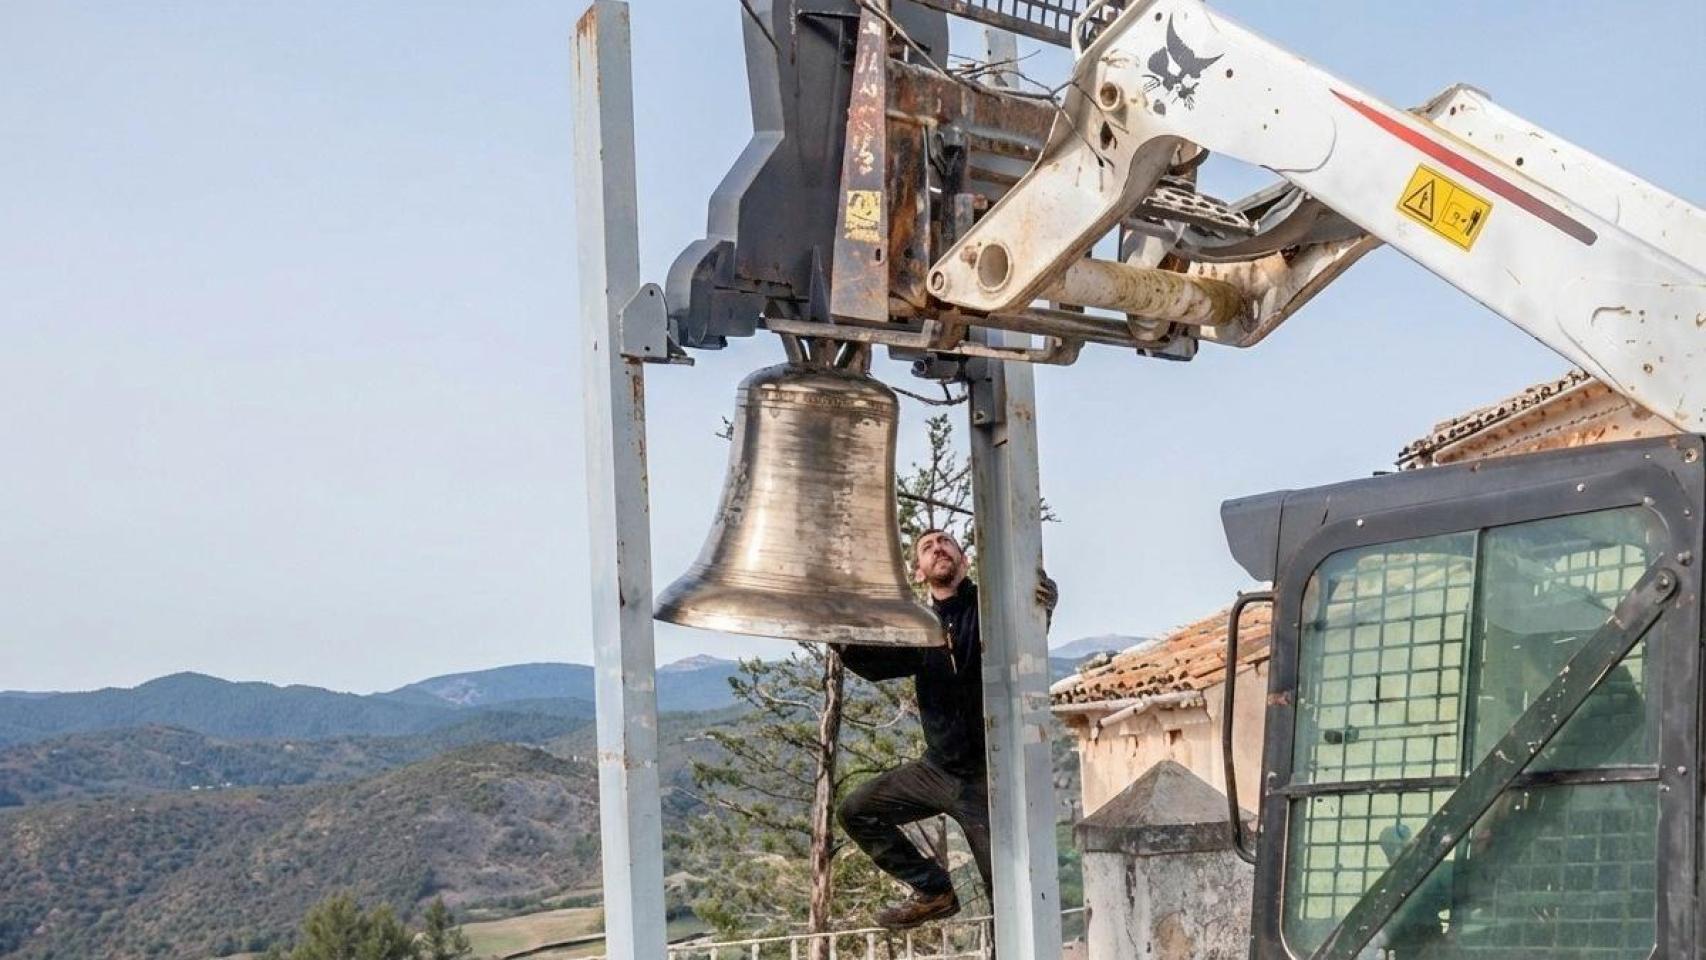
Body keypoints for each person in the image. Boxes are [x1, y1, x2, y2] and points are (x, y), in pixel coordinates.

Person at [835, 528, 1058, 930]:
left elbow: (1029, 629)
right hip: (937, 771)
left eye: (945, 542)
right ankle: (935, 890)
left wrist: (1042, 600)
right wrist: (830, 632)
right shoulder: (917, 628)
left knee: (1007, 900)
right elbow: (872, 664)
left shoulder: (990, 608)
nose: (938, 547)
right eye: (927, 547)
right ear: (919, 572)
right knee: (856, 811)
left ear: (964, 561)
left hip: (988, 778)